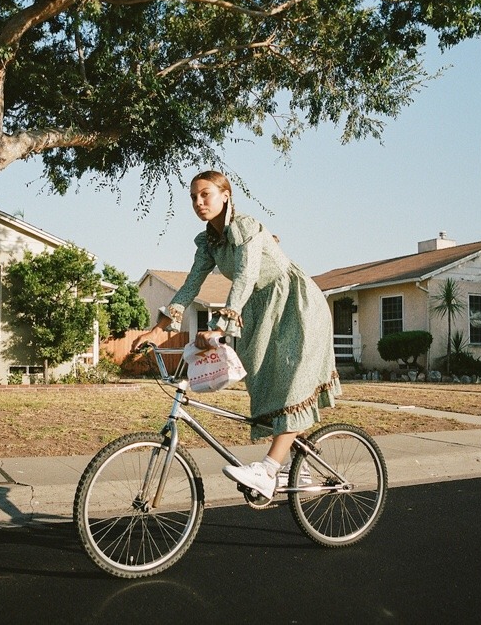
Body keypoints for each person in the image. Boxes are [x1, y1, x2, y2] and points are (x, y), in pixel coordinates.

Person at [132, 170, 341, 499]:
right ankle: (293, 464)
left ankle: (269, 469)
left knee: (290, 384)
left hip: (295, 304)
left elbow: (244, 277)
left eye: (206, 194)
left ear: (225, 195)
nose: (199, 202)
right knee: (267, 384)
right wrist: (159, 329)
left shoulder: (245, 227)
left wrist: (220, 326)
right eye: (193, 197)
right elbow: (190, 285)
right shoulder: (209, 242)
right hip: (262, 310)